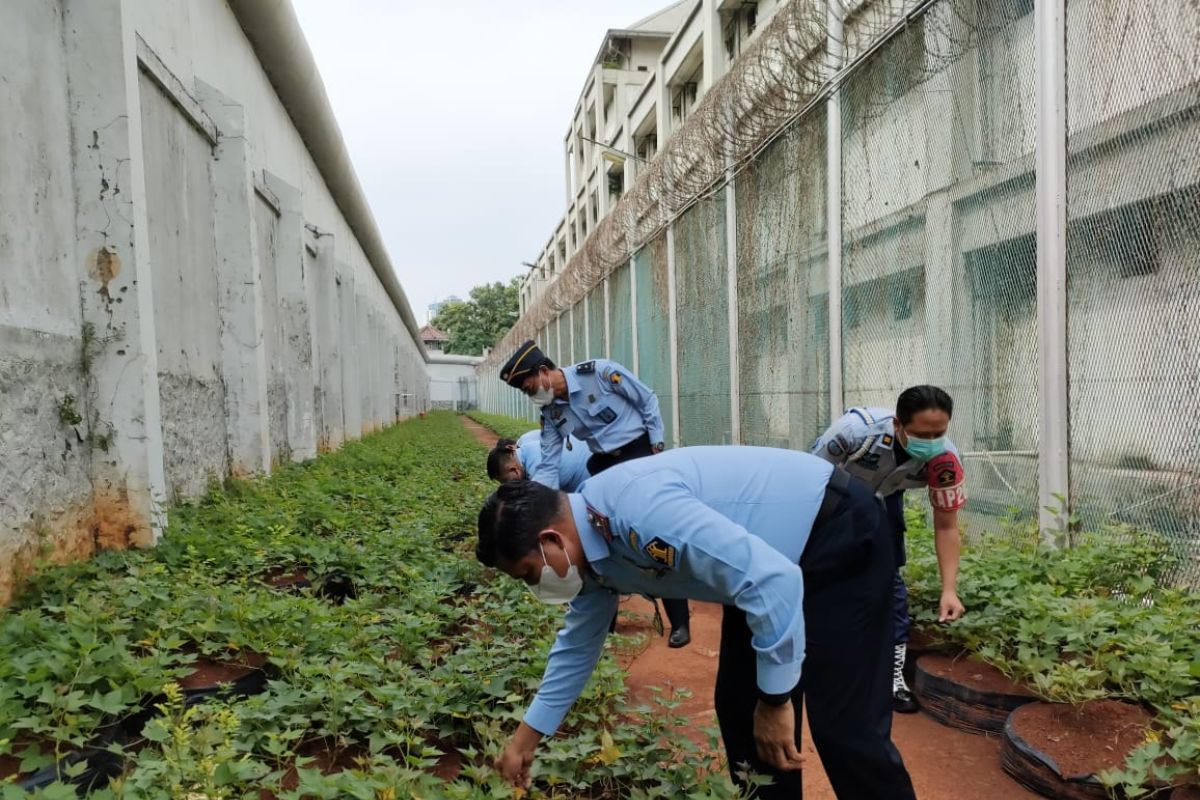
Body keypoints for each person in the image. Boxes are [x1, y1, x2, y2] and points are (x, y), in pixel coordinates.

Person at [476, 447, 916, 800]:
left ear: (550, 540)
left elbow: (772, 579)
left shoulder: (637, 510)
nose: (538, 587)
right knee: (740, 709)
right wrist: (523, 742)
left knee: (844, 725)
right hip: (757, 570)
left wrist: (778, 700)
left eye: (531, 574)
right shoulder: (589, 548)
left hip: (834, 534)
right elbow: (576, 649)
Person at [498, 339, 691, 647]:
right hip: (604, 468)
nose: (530, 394)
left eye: (529, 386)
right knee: (601, 541)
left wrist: (656, 445)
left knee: (656, 534)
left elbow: (647, 399)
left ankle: (680, 621)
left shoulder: (599, 374)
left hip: (639, 455)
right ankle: (606, 623)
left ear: (544, 371)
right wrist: (533, 506)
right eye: (524, 391)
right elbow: (548, 465)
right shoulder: (551, 414)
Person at [810, 385, 967, 713]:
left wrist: (949, 589)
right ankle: (816, 659)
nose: (932, 441)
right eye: (922, 433)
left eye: (940, 432)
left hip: (885, 500)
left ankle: (892, 678)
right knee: (821, 576)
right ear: (898, 425)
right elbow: (807, 480)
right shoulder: (854, 433)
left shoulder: (946, 460)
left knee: (889, 582)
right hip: (832, 497)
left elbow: (947, 525)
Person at [486, 428, 591, 492]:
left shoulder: (538, 468)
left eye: (505, 481)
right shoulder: (527, 448)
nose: (508, 485)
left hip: (592, 476)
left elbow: (547, 508)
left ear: (513, 470)